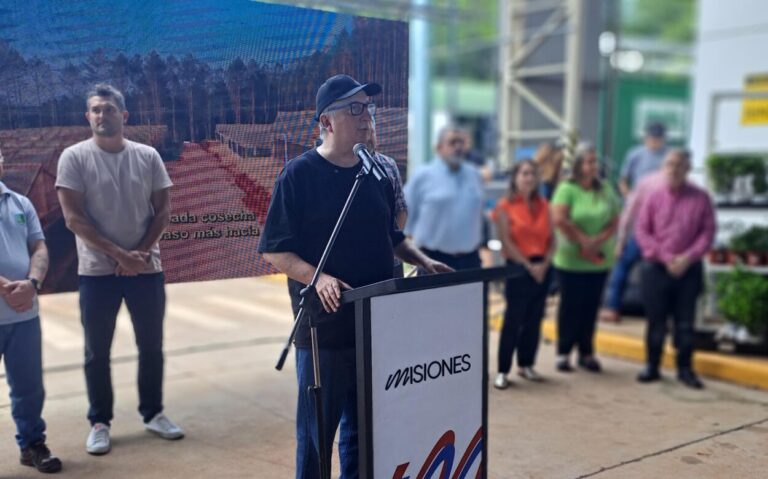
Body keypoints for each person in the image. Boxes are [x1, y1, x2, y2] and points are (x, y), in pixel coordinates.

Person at [258, 74, 451, 478]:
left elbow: (393, 236)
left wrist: (422, 259)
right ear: (326, 121)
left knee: (363, 434)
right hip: (324, 331)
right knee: (317, 436)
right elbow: (276, 248)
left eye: (369, 108)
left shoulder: (377, 173)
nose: (367, 117)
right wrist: (318, 277)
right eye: (355, 109)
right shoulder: (298, 175)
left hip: (376, 328)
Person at [56, 83, 184, 456]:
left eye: (109, 109)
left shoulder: (147, 156)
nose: (101, 115)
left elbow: (163, 212)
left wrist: (138, 254)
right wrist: (119, 256)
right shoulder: (73, 158)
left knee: (151, 346)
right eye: (95, 110)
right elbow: (73, 219)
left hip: (147, 268)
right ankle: (99, 422)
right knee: (97, 351)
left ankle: (153, 412)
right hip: (97, 272)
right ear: (87, 116)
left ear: (124, 116)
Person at [0, 149, 63, 474]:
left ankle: (32, 444)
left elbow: (38, 246)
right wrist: (7, 288)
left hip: (23, 314)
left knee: (28, 386)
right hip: (13, 302)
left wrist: (32, 283)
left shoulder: (19, 203)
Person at [634, 149, 715, 389]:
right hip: (656, 268)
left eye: (679, 165)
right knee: (656, 321)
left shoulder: (700, 198)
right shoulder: (654, 197)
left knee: (685, 323)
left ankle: (685, 369)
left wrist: (687, 257)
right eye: (669, 164)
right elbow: (642, 231)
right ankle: (652, 366)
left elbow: (707, 232)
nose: (673, 169)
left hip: (688, 270)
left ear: (688, 169)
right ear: (663, 168)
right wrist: (666, 257)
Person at [551, 149, 620, 373]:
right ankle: (563, 352)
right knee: (570, 306)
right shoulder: (567, 189)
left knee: (591, 307)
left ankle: (586, 352)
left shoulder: (606, 189)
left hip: (598, 260)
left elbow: (615, 219)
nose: (593, 165)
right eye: (589, 161)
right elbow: (560, 218)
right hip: (571, 260)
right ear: (579, 164)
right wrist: (583, 241)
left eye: (595, 161)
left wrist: (597, 241)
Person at [492, 159, 555, 389]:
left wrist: (544, 264)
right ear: (515, 178)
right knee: (513, 320)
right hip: (518, 268)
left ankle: (526, 363)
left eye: (533, 174)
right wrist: (529, 266)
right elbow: (505, 241)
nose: (529, 178)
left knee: (534, 319)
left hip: (543, 267)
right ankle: (503, 370)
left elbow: (552, 240)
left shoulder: (544, 204)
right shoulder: (504, 206)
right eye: (524, 173)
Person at [404, 125, 485, 271]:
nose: (458, 147)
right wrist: (415, 257)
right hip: (433, 260)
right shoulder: (422, 176)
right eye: (453, 142)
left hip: (470, 261)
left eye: (461, 142)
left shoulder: (474, 175)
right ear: (439, 148)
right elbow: (405, 219)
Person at [599, 170, 666, 323]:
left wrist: (621, 241)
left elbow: (629, 213)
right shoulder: (681, 185)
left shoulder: (645, 183)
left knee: (622, 266)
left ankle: (613, 308)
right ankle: (662, 314)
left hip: (642, 235)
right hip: (664, 239)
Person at [618, 122, 668, 198]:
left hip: (662, 197)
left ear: (663, 139)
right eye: (652, 138)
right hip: (640, 196)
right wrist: (629, 196)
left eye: (658, 139)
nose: (654, 142)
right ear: (646, 138)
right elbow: (623, 180)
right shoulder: (635, 154)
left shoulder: (670, 155)